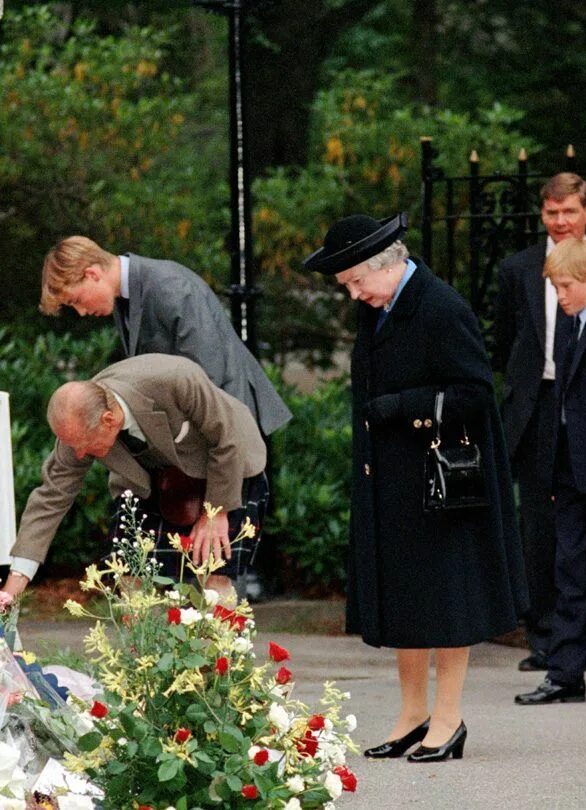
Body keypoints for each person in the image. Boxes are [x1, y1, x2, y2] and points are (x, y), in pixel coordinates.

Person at [304, 213, 528, 762]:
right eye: (348, 286)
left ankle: (448, 719)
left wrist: (404, 409)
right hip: (394, 480)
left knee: (448, 599)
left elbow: (476, 393)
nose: (355, 294)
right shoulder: (378, 304)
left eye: (357, 281)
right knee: (405, 596)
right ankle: (413, 714)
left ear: (388, 264)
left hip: (441, 480)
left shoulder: (441, 306)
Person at [0, 355, 267, 602]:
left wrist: (215, 512)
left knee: (214, 568)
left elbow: (228, 439)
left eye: (84, 445)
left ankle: (221, 651)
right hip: (149, 478)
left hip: (225, 464)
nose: (79, 455)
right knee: (127, 569)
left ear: (108, 419)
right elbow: (51, 496)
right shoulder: (78, 427)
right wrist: (13, 587)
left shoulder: (176, 379)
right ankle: (141, 651)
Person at [495, 173, 586, 672]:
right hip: (540, 405)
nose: (561, 221)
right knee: (543, 529)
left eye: (569, 211)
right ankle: (546, 638)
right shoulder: (518, 268)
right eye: (551, 212)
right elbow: (503, 343)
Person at [39, 236, 292, 437]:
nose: (81, 312)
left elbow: (209, 371)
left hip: (230, 429)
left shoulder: (169, 286)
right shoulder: (125, 296)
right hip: (211, 428)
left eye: (76, 300)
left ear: (93, 274)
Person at [515, 239, 586, 705]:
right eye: (555, 287)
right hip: (574, 472)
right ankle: (565, 675)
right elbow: (562, 406)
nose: (560, 295)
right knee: (570, 571)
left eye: (565, 285)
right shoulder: (574, 326)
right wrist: (555, 471)